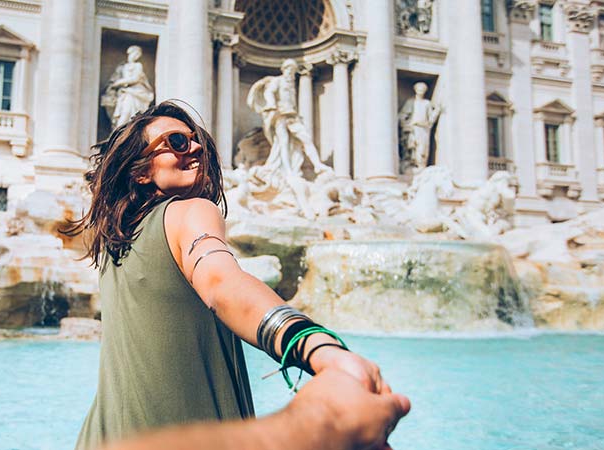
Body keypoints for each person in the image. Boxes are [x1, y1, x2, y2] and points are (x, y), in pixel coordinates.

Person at [63, 101, 402, 450]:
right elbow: (223, 284)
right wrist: (317, 345)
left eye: (198, 142)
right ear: (140, 172)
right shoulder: (191, 210)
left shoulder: (113, 245)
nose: (194, 147)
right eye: (177, 142)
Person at [101, 368, 411, 450]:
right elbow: (221, 282)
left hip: (111, 422)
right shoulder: (193, 208)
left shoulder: (119, 229)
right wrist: (329, 421)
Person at [101, 45, 155, 129]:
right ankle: (118, 134)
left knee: (130, 114)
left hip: (135, 92)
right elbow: (113, 79)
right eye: (136, 54)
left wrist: (120, 82)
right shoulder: (122, 67)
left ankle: (124, 133)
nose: (137, 56)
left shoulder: (138, 65)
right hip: (124, 92)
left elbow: (135, 78)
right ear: (130, 53)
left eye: (138, 55)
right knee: (123, 114)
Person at [398, 82, 441, 172]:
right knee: (412, 147)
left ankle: (421, 166)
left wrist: (437, 111)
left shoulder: (427, 103)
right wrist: (405, 123)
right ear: (416, 90)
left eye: (423, 89)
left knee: (422, 149)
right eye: (419, 89)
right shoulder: (411, 102)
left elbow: (431, 118)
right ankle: (412, 164)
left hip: (424, 128)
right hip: (413, 128)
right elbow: (402, 115)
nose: (421, 91)